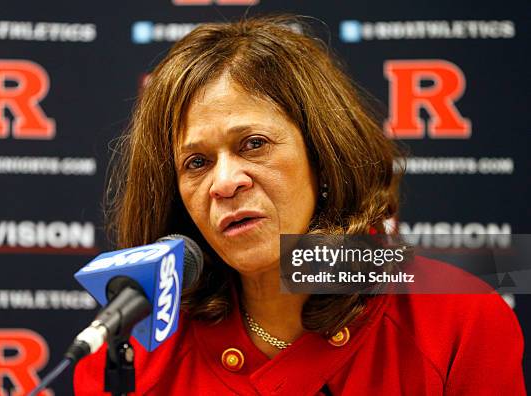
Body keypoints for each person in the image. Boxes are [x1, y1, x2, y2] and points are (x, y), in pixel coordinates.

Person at [74, 15, 525, 395]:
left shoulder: (461, 318)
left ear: (324, 158)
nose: (225, 183)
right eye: (196, 162)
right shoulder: (127, 358)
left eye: (253, 144)